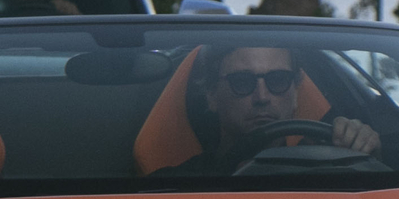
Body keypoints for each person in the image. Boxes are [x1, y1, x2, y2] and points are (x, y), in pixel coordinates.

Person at [163, 45, 382, 174]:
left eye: (278, 80)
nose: (262, 97)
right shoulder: (170, 189)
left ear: (296, 93)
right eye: (242, 82)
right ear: (211, 95)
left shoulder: (330, 171)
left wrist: (363, 155)